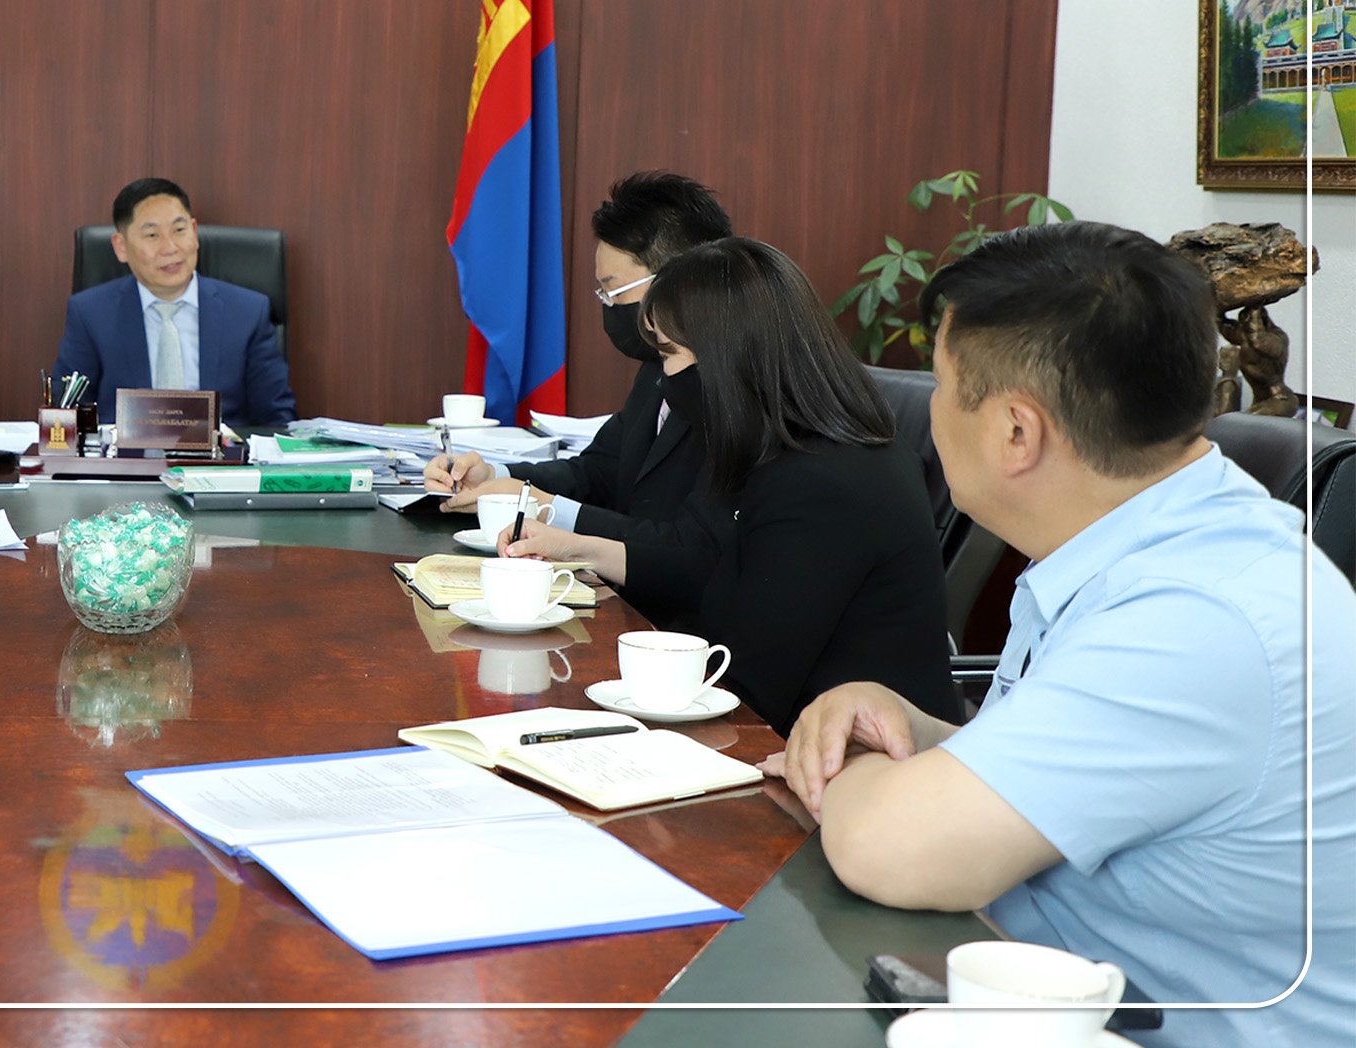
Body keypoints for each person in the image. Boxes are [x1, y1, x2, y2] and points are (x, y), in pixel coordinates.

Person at [770, 222, 1356, 1047]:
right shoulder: (1141, 541)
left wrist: (850, 769)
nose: (931, 410)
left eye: (943, 384)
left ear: (1017, 431)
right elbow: (1088, 775)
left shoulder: (1200, 616)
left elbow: (887, 848)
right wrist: (908, 728)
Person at [501, 237, 962, 736]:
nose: (663, 376)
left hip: (845, 759)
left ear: (725, 359)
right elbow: (698, 554)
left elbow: (751, 685)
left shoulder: (824, 485)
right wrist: (574, 549)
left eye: (670, 354)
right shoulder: (769, 446)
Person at [424, 171, 730, 541]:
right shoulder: (656, 370)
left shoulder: (735, 393)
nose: (609, 306)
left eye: (614, 291)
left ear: (680, 281)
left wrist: (544, 507)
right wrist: (495, 476)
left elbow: (686, 544)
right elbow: (599, 472)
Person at [52, 178, 296, 428]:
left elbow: (275, 419)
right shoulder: (91, 314)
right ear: (121, 246)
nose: (170, 248)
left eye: (179, 230)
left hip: (221, 452)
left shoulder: (247, 312)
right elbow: (66, 415)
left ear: (194, 232)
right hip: (124, 453)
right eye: (152, 235)